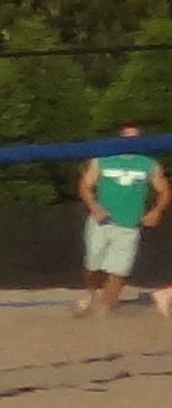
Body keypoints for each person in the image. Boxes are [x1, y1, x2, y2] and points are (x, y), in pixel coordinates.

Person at [75, 132, 161, 318]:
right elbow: (85, 186)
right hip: (102, 222)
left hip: (130, 224)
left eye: (135, 138)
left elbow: (163, 190)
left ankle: (104, 309)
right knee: (93, 265)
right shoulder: (102, 160)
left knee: (119, 271)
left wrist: (156, 210)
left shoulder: (148, 163)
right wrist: (94, 206)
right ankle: (90, 292)